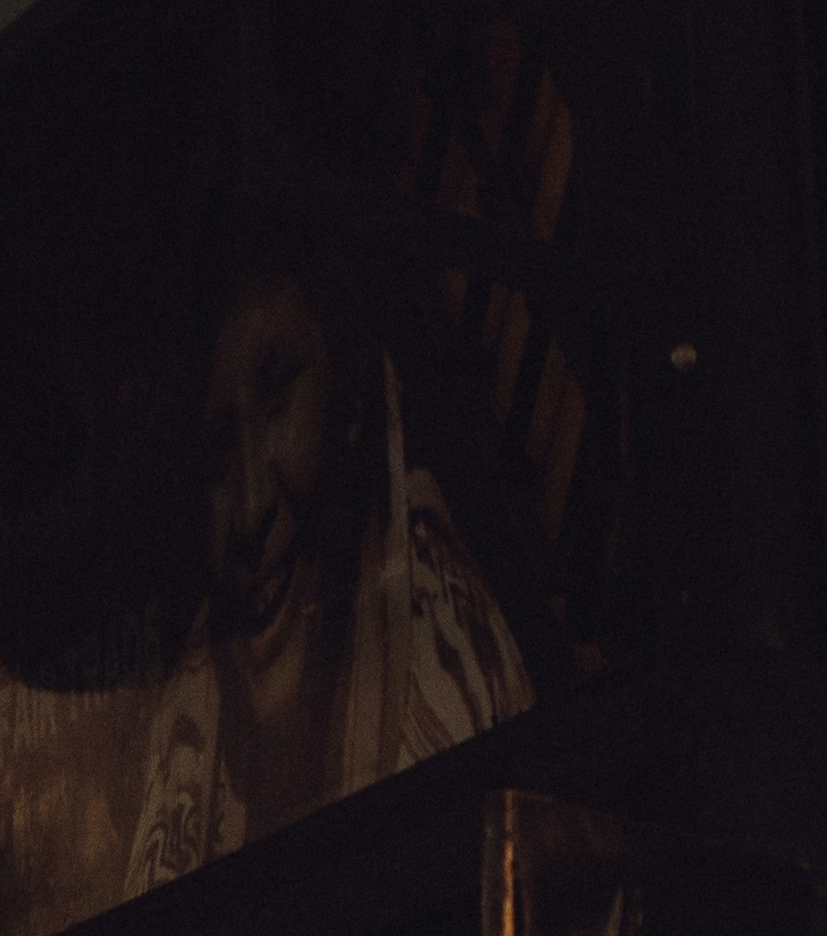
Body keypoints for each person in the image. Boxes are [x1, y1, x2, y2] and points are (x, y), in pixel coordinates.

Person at [124, 230, 526, 884]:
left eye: (279, 395)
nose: (252, 507)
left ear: (351, 401)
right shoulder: (188, 711)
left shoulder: (443, 647)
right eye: (218, 452)